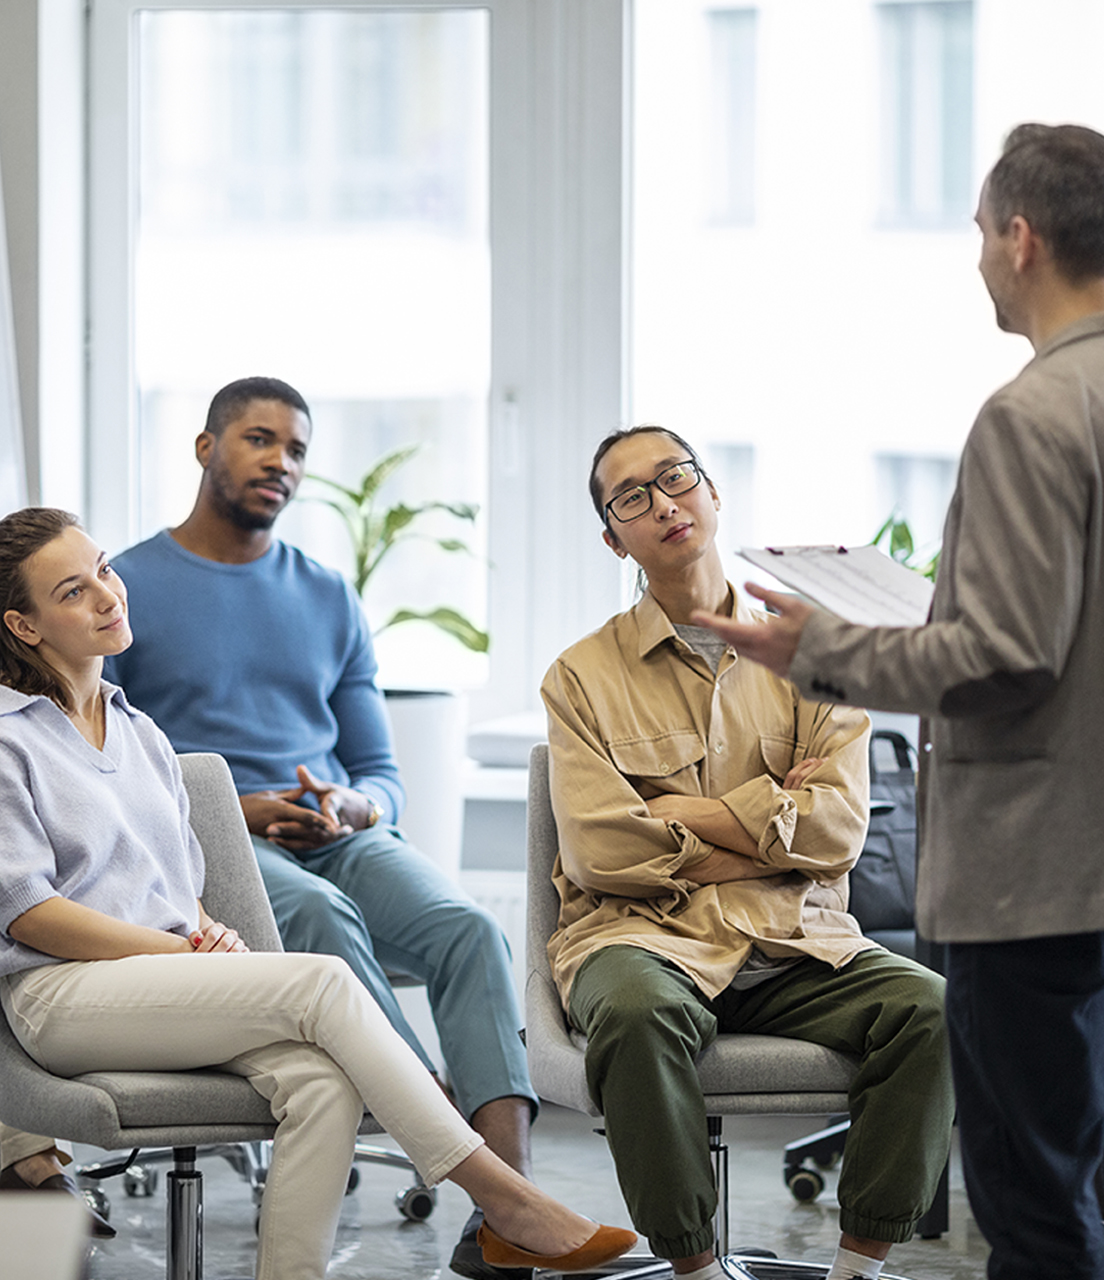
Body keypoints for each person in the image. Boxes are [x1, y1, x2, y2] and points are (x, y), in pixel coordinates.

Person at [0, 506, 637, 1280]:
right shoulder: (9, 738)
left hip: (165, 980)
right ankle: (508, 1202)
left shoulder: (141, 733)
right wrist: (180, 948)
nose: (108, 594)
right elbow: (30, 912)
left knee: (323, 1082)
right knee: (325, 977)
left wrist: (205, 931)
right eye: (73, 591)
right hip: (62, 999)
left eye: (104, 568)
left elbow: (177, 882)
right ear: (24, 626)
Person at [692, 122, 1104, 1280]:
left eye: (980, 233)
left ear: (1021, 239)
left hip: (1038, 874)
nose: (977, 257)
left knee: (1037, 1204)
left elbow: (1010, 651)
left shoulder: (1035, 413)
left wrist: (818, 647)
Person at [98, 376, 536, 1279]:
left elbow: (379, 770)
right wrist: (234, 808)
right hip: (206, 844)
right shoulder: (125, 586)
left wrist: (355, 806)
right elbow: (102, 759)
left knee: (469, 933)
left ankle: (504, 1222)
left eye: (296, 450)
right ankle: (460, 1143)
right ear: (205, 447)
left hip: (331, 830)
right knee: (327, 929)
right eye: (259, 440)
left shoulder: (329, 594)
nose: (280, 463)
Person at [540, 425, 954, 1280]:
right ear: (613, 537)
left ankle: (857, 1269)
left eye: (676, 478)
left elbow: (840, 831)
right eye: (631, 497)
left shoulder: (815, 655)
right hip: (643, 940)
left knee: (938, 1011)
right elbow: (601, 853)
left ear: (713, 493)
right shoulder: (579, 676)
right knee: (636, 1014)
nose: (662, 502)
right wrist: (775, 832)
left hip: (794, 942)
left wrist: (684, 814)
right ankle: (694, 1269)